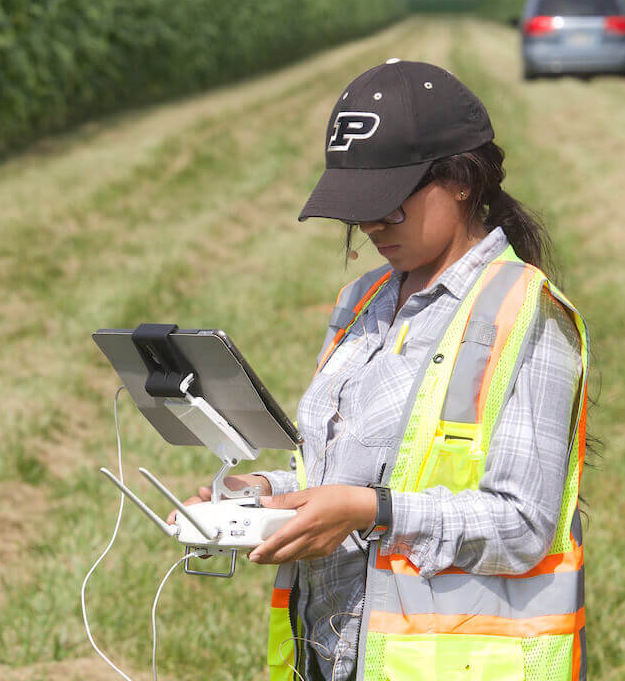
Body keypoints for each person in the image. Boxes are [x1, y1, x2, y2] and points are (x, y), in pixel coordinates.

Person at [173, 60, 589, 681]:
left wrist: (374, 511)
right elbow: (345, 468)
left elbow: (524, 524)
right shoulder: (363, 300)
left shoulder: (525, 314)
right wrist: (266, 496)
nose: (369, 226)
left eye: (388, 206)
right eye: (357, 209)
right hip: (333, 655)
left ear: (461, 182)